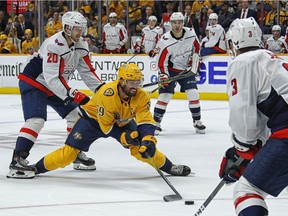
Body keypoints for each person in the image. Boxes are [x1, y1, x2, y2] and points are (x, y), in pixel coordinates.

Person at [26, 64, 191, 178]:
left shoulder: (141, 96)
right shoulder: (107, 94)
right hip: (93, 120)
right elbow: (106, 127)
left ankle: (170, 167)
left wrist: (148, 140)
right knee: (69, 153)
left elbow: (145, 120)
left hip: (121, 121)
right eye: (131, 82)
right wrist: (124, 138)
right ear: (121, 81)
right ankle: (36, 168)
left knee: (141, 149)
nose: (135, 86)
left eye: (137, 82)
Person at [7, 11, 103, 179]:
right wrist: (72, 92)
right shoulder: (53, 44)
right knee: (36, 119)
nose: (80, 33)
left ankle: (74, 152)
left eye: (82, 29)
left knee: (76, 115)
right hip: (34, 81)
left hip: (54, 84)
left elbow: (87, 71)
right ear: (67, 28)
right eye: (76, 29)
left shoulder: (82, 45)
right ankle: (17, 161)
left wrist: (103, 90)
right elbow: (52, 78)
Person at [219, 17, 288, 216]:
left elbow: (243, 116)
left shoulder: (242, 62)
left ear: (233, 41)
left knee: (247, 190)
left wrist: (242, 147)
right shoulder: (271, 59)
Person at [153, 12, 206, 135]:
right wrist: (164, 76)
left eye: (179, 22)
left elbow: (197, 49)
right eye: (174, 23)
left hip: (186, 70)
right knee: (164, 96)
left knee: (193, 94)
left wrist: (194, 60)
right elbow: (161, 62)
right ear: (170, 24)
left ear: (183, 23)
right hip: (171, 71)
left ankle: (197, 121)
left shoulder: (191, 34)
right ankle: (155, 123)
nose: (177, 25)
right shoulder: (165, 41)